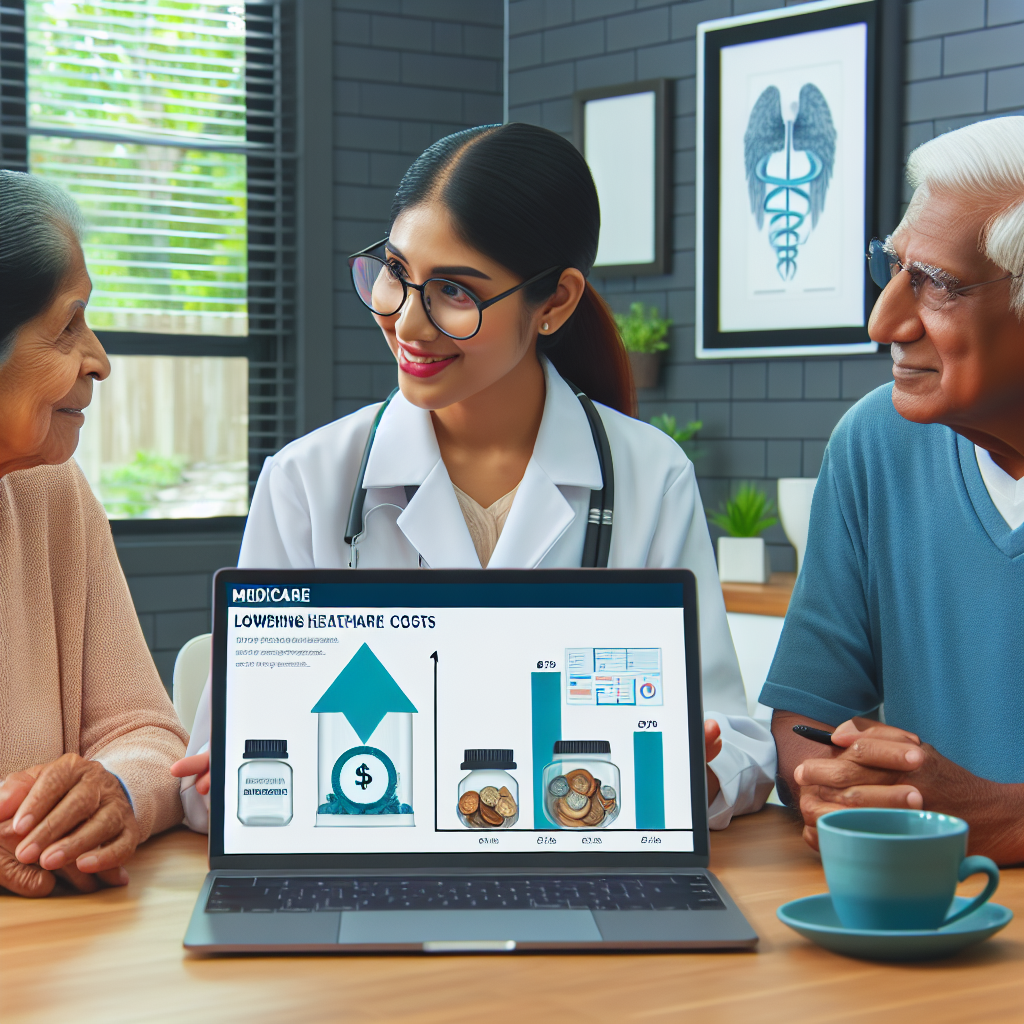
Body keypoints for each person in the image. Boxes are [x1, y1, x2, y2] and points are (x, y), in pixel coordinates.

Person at [172, 122, 776, 831]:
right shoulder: (307, 481)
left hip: (573, 861)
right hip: (371, 866)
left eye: (455, 291)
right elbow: (211, 777)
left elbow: (733, 742)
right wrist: (237, 782)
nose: (407, 322)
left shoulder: (649, 475)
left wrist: (696, 774)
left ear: (554, 302)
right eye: (395, 273)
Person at [761, 117, 1024, 866]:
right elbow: (805, 723)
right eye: (896, 269)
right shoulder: (876, 443)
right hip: (921, 925)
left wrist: (1007, 817)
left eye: (935, 285)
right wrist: (829, 783)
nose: (885, 320)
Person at [0, 171, 189, 897]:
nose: (100, 360)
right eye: (68, 325)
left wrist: (114, 794)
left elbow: (149, 733)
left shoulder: (49, 491)